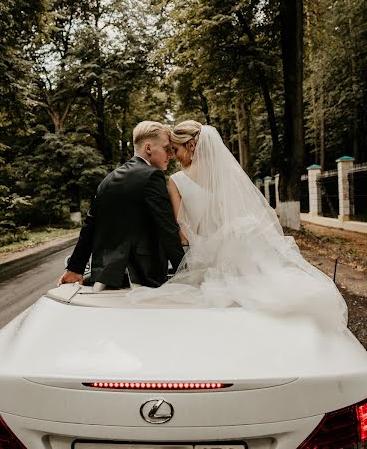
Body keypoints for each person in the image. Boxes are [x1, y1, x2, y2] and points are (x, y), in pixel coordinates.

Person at [129, 120, 348, 331]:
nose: (174, 157)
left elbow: (181, 229)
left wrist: (193, 249)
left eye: (175, 150)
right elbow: (252, 210)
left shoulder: (175, 180)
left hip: (207, 255)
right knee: (265, 284)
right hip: (241, 248)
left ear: (192, 145)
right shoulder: (229, 173)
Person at [58, 121, 184, 289]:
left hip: (106, 278)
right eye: (166, 148)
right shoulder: (152, 176)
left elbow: (90, 225)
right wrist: (184, 271)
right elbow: (167, 229)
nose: (171, 155)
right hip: (143, 277)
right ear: (148, 148)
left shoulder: (108, 179)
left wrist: (75, 269)